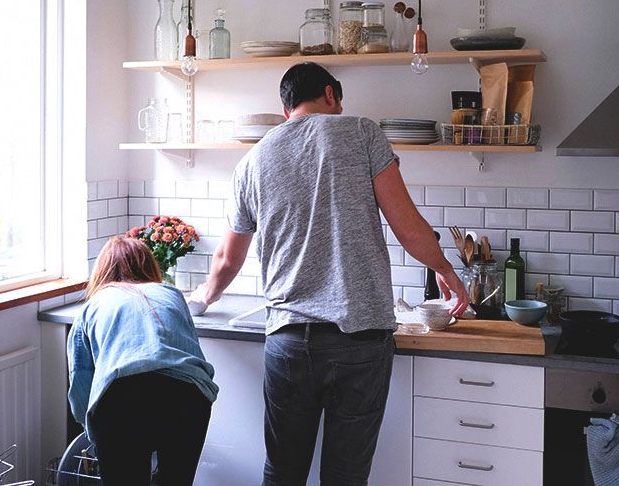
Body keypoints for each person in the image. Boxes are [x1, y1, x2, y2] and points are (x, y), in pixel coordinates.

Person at [187, 61, 469, 485]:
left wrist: (201, 299)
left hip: (288, 342)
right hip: (360, 340)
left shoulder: (252, 161)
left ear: (286, 109)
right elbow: (407, 225)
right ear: (330, 94)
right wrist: (444, 267)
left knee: (283, 471)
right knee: (345, 477)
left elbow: (227, 260)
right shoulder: (362, 132)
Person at [67, 236, 218, 486]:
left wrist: (92, 428)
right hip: (188, 395)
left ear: (102, 271)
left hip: (122, 398)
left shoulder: (92, 306)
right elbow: (191, 348)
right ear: (149, 265)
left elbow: (81, 378)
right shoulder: (172, 294)